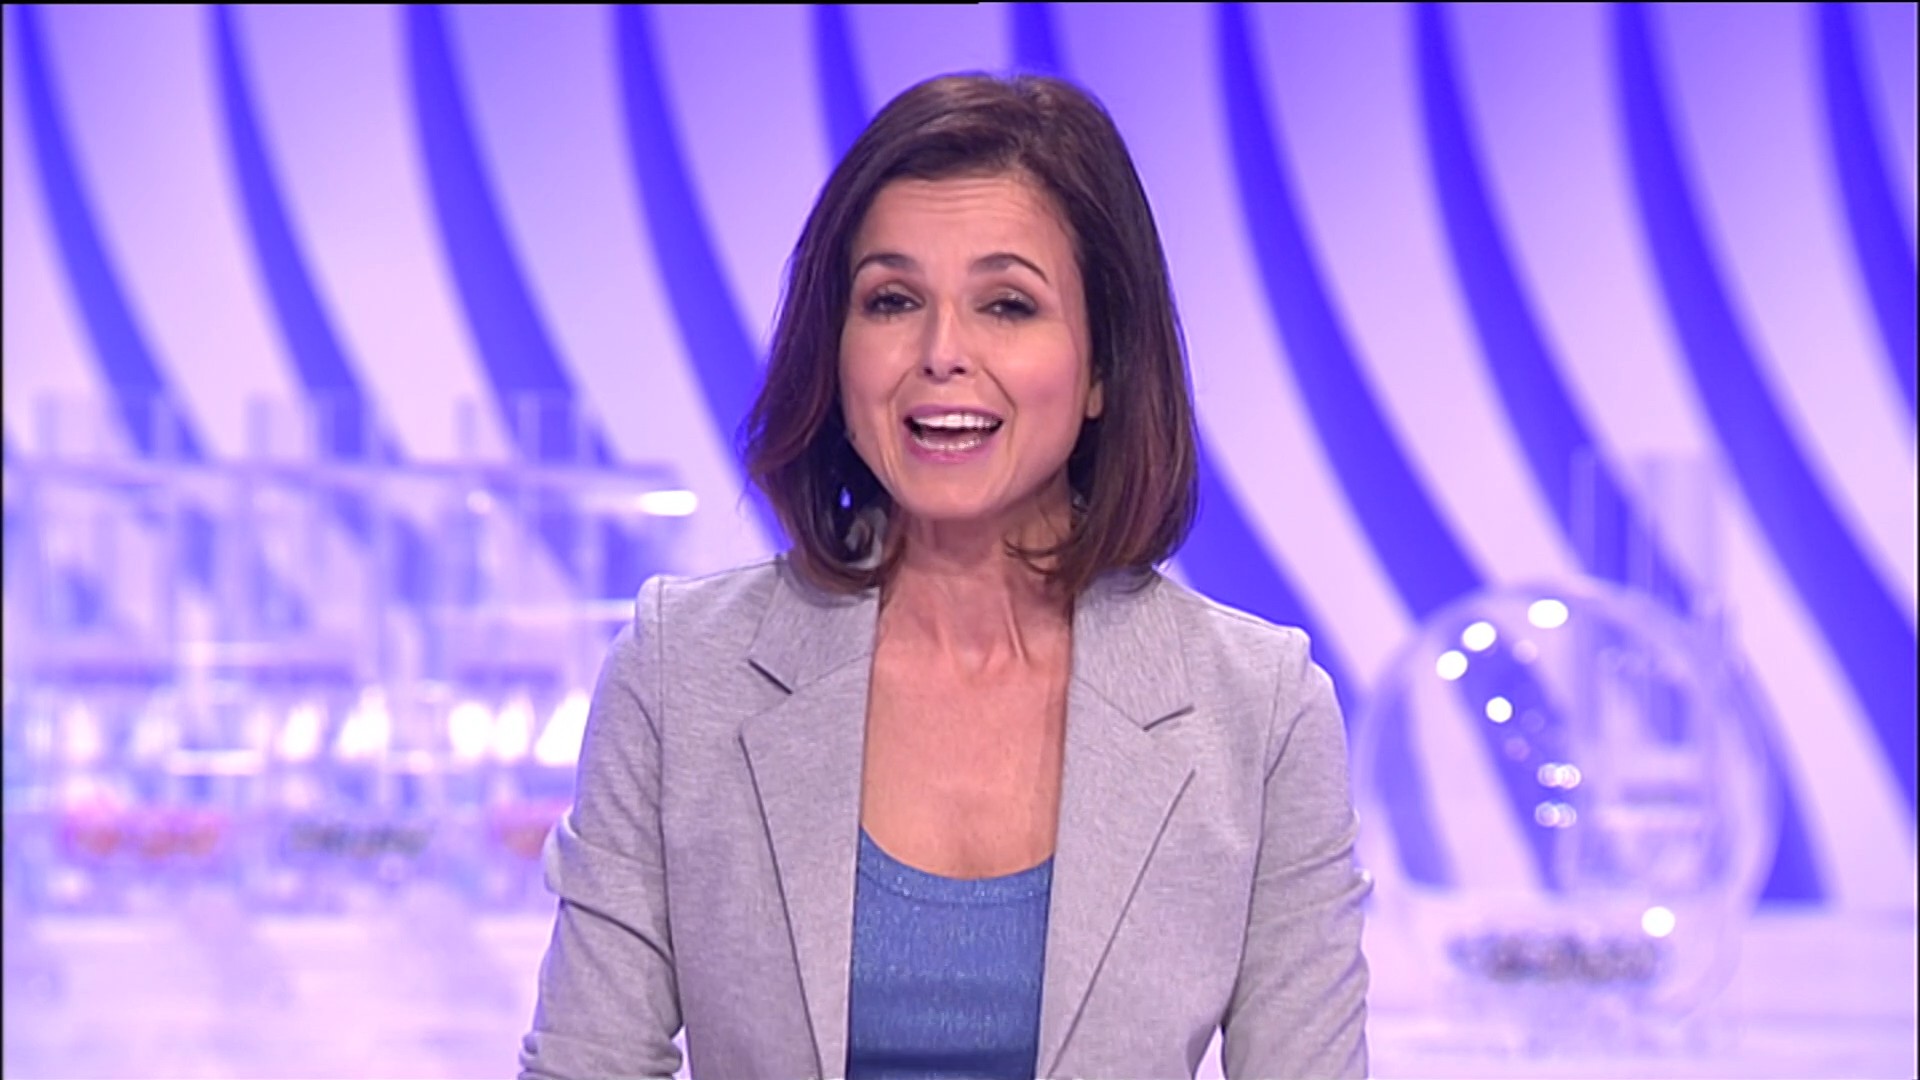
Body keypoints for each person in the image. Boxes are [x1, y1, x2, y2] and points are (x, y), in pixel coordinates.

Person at [518, 72, 1368, 1080]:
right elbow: (589, 1064)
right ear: (837, 353)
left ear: (1102, 367)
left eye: (1007, 304)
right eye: (893, 300)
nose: (941, 353)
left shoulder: (1259, 713)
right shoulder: (681, 672)